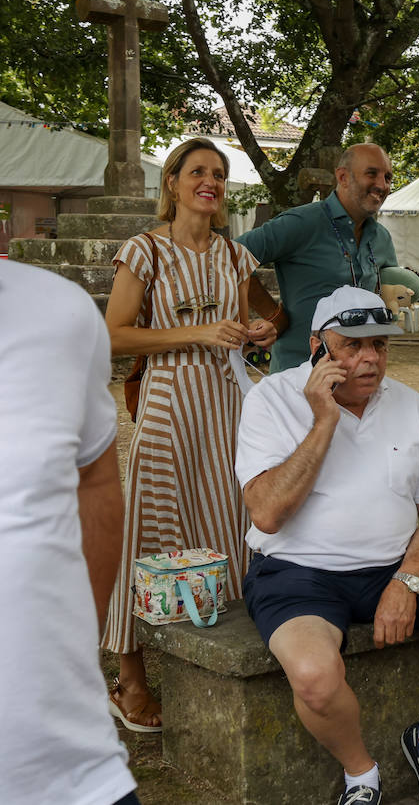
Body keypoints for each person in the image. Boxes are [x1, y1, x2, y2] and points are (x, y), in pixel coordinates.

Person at [236, 285, 419, 805]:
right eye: (352, 345)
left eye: (381, 345)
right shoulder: (272, 399)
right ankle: (361, 774)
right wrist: (323, 420)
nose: (370, 358)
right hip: (298, 571)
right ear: (318, 348)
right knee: (313, 676)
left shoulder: (408, 403)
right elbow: (268, 513)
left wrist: (406, 579)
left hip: (394, 563)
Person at [102, 137, 265, 733]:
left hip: (226, 405)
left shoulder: (233, 255)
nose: (210, 181)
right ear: (171, 183)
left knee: (225, 523)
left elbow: (237, 327)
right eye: (197, 171)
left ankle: (213, 663)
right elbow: (114, 334)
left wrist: (252, 333)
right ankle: (131, 680)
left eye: (219, 174)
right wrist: (195, 334)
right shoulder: (143, 251)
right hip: (169, 404)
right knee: (150, 531)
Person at [2, 261, 140, 805]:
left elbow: (94, 481)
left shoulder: (57, 311)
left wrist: (73, 644)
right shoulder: (142, 254)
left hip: (75, 770)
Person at [239, 143, 398, 371]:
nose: (382, 185)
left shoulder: (381, 237)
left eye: (388, 177)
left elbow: (390, 292)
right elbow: (231, 257)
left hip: (356, 380)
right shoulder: (301, 223)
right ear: (343, 177)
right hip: (298, 376)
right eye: (371, 174)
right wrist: (274, 315)